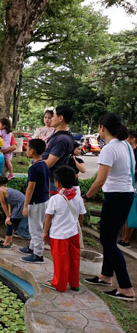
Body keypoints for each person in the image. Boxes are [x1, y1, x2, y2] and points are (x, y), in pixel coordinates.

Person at [84, 113, 135, 301]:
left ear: (102, 128)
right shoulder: (126, 146)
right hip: (125, 195)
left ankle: (126, 288)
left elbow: (100, 180)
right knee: (110, 237)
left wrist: (85, 196)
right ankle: (105, 276)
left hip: (116, 197)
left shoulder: (109, 148)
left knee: (108, 241)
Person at [42, 166, 86, 293]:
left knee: (60, 260)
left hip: (59, 235)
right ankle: (74, 283)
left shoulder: (55, 199)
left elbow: (48, 217)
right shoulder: (77, 197)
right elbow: (81, 216)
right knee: (74, 259)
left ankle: (59, 284)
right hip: (73, 233)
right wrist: (76, 227)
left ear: (58, 183)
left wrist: (45, 232)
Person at [20, 139, 49, 263]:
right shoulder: (44, 164)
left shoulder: (33, 168)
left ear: (32, 151)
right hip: (43, 200)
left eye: (27, 148)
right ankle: (32, 247)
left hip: (36, 202)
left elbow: (30, 188)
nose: (26, 151)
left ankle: (38, 254)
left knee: (35, 228)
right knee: (36, 225)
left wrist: (25, 205)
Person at [0, 173, 26, 249]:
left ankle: (7, 243)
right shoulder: (3, 188)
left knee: (10, 223)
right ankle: (8, 241)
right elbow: (9, 203)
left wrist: (8, 217)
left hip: (20, 204)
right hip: (19, 203)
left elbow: (3, 204)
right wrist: (9, 215)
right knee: (11, 222)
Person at [42, 105, 75, 194]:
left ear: (60, 118)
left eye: (53, 116)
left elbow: (49, 163)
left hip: (52, 181)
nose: (51, 119)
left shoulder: (62, 139)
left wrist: (35, 161)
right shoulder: (57, 133)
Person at [119, 129, 137, 248]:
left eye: (127, 137)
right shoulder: (128, 151)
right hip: (129, 187)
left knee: (131, 214)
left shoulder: (134, 152)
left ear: (133, 139)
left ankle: (125, 240)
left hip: (134, 188)